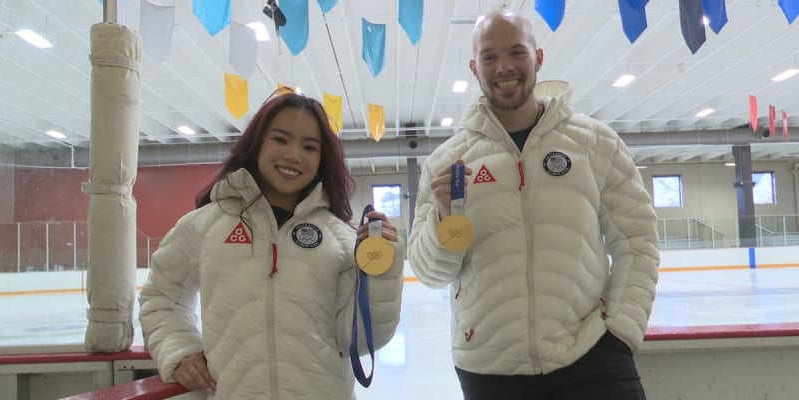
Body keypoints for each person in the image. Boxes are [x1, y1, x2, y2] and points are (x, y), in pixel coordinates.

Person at [407, 9, 660, 400]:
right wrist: (442, 222)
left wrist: (620, 331)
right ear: (475, 68)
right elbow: (429, 273)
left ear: (538, 59)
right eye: (489, 57)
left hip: (592, 358)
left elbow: (638, 240)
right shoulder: (448, 161)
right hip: (489, 367)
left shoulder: (596, 144)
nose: (504, 66)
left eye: (516, 52)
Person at [139, 89, 404, 399]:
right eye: (280, 139)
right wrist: (179, 348)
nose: (293, 155)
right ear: (258, 143)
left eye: (309, 147)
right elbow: (160, 297)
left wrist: (382, 271)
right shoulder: (206, 224)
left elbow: (356, 341)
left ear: (321, 159)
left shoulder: (340, 238)